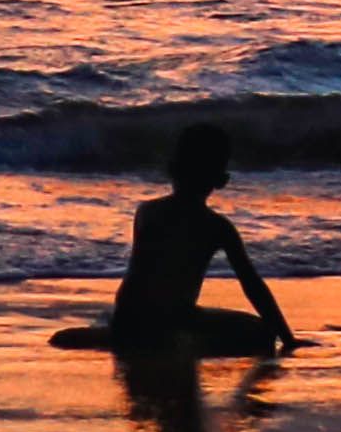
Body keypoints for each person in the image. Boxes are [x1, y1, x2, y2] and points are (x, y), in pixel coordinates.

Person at [52, 123, 302, 358]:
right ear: (221, 181)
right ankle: (175, 343)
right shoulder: (218, 227)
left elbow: (139, 281)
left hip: (129, 317)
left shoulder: (147, 212)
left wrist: (124, 323)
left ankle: (136, 338)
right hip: (174, 319)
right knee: (262, 333)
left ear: (172, 169)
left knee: (79, 336)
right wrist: (287, 338)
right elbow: (252, 285)